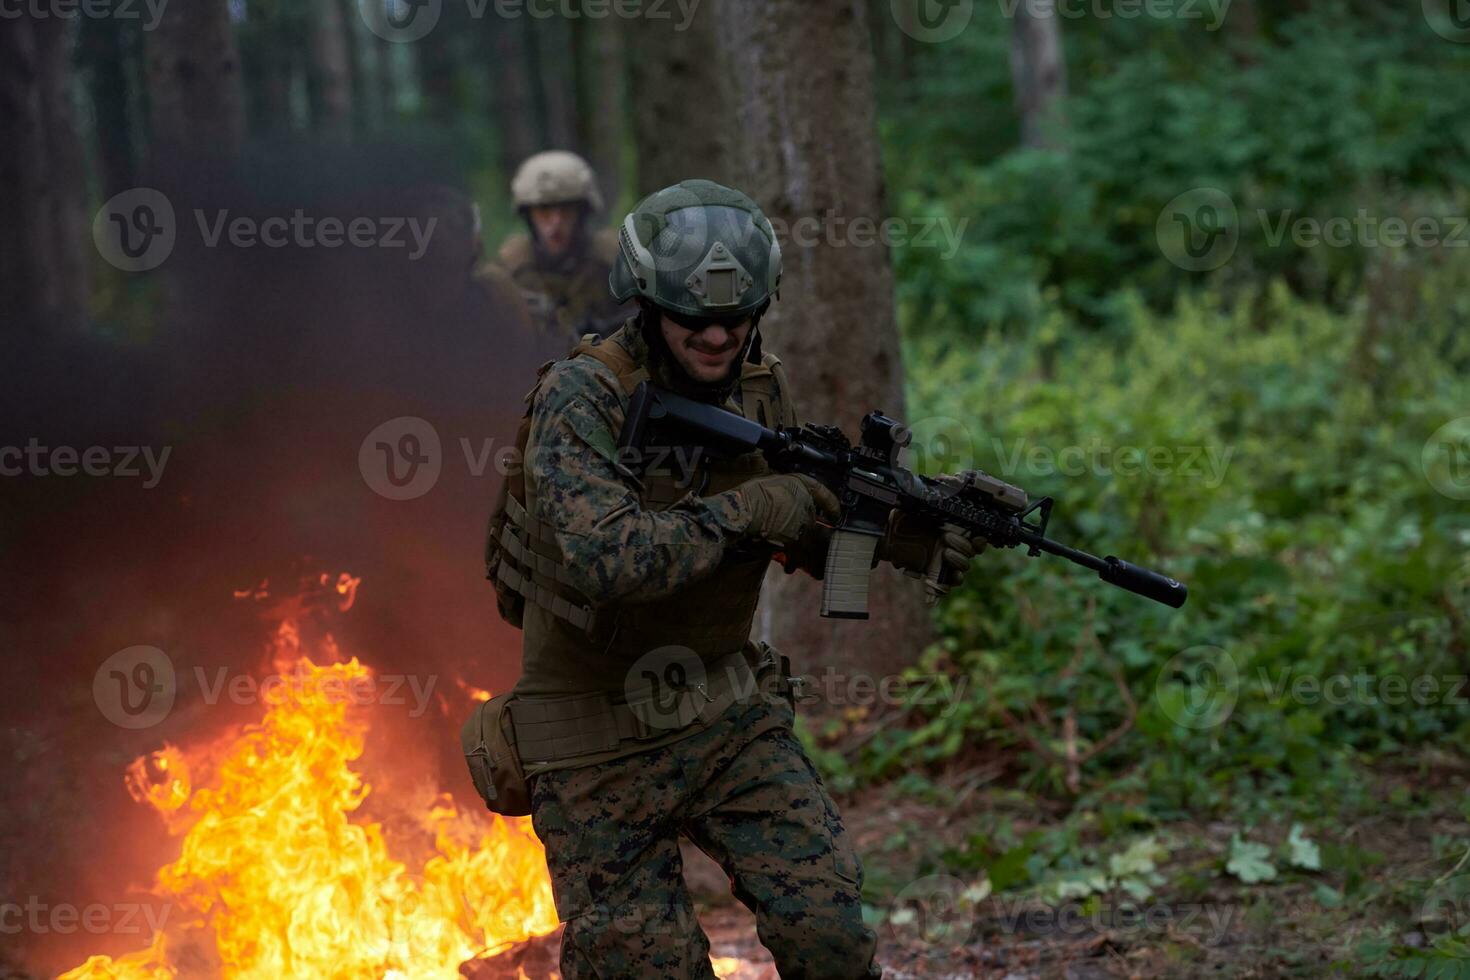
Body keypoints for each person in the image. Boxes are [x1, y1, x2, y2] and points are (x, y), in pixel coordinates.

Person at [487, 179, 985, 978]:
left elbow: (796, 529)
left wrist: (900, 534)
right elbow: (609, 561)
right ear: (647, 303)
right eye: (695, 317)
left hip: (725, 713)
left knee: (830, 939)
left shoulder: (759, 385)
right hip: (592, 739)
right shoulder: (581, 399)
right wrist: (757, 507)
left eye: (738, 315)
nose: (718, 335)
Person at [491, 150, 632, 349]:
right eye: (544, 211)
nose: (556, 222)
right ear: (528, 215)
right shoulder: (509, 271)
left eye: (566, 210)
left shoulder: (612, 261)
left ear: (582, 212)